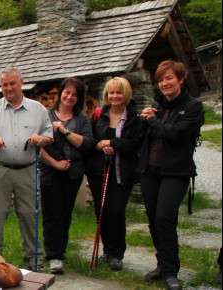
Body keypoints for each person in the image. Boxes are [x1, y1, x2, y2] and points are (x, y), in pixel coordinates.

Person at [0, 65, 53, 271]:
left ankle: (34, 261)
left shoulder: (38, 109)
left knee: (30, 215)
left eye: (12, 83)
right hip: (0, 168)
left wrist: (40, 139)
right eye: (4, 85)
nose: (9, 88)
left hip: (28, 169)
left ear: (21, 83)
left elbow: (49, 135)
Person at [138, 60, 204, 290]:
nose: (164, 83)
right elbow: (145, 135)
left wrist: (152, 120)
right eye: (161, 80)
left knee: (165, 218)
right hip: (150, 170)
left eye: (169, 78)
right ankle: (162, 264)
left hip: (175, 172)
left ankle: (171, 272)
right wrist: (144, 120)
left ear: (180, 79)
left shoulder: (193, 106)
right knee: (154, 220)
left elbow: (176, 133)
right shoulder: (157, 104)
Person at [85, 76, 143, 272]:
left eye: (119, 92)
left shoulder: (134, 117)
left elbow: (135, 143)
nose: (115, 96)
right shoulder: (99, 114)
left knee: (116, 212)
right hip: (98, 171)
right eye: (111, 93)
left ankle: (117, 253)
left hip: (121, 172)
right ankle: (107, 250)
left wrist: (113, 144)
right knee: (101, 212)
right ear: (106, 95)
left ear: (126, 94)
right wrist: (100, 145)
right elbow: (91, 139)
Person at [39, 77, 95, 274]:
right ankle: (54, 256)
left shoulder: (82, 119)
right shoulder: (46, 116)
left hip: (73, 173)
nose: (70, 97)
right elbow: (38, 145)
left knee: (65, 213)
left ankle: (60, 252)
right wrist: (55, 163)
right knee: (51, 214)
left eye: (74, 94)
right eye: (67, 92)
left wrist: (64, 131)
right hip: (50, 172)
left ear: (79, 98)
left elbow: (86, 144)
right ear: (60, 93)